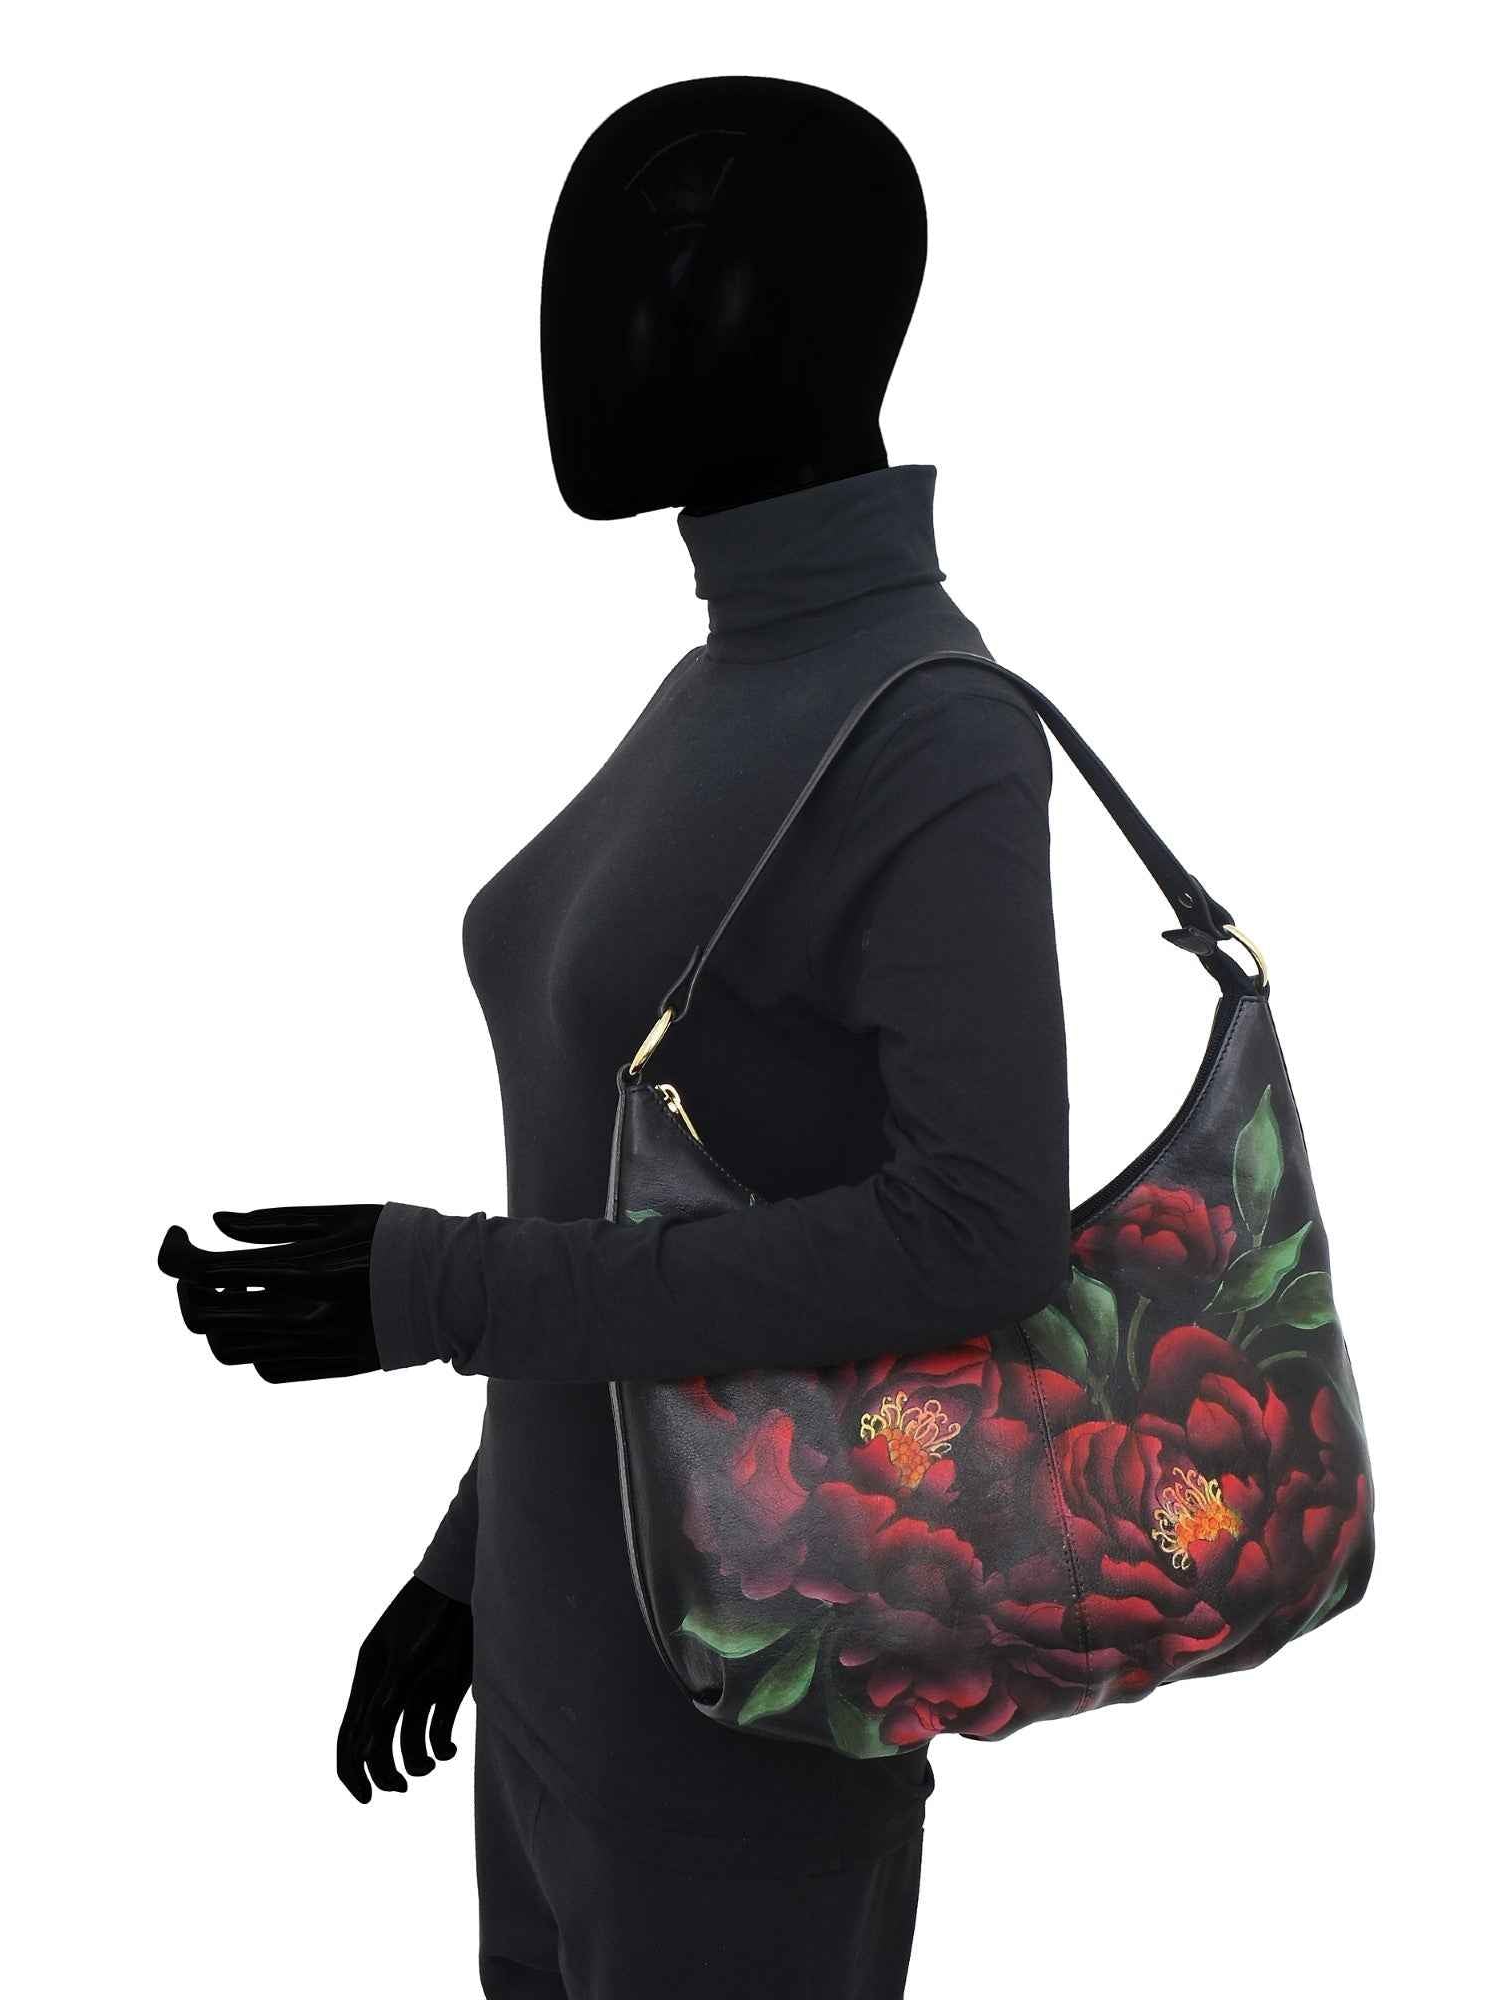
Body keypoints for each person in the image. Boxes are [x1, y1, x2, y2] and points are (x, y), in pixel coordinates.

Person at [159, 76, 1069, 2000]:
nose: (584, 314)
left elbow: (977, 1233)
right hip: (558, 1678)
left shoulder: (926, 724)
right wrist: (475, 1558)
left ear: (831, 305)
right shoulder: (726, 676)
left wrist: (439, 1288)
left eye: (669, 248)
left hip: (747, 1719)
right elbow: (640, 1188)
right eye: (577, 252)